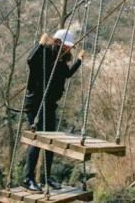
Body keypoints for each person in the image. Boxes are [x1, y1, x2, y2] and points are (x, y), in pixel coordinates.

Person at [22, 29, 86, 192]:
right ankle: (27, 178)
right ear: (59, 42)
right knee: (37, 140)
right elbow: (30, 61)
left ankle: (47, 176)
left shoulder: (61, 60)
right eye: (67, 46)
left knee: (50, 141)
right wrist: (40, 44)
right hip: (36, 103)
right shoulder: (46, 53)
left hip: (49, 105)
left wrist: (78, 60)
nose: (69, 49)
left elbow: (67, 74)